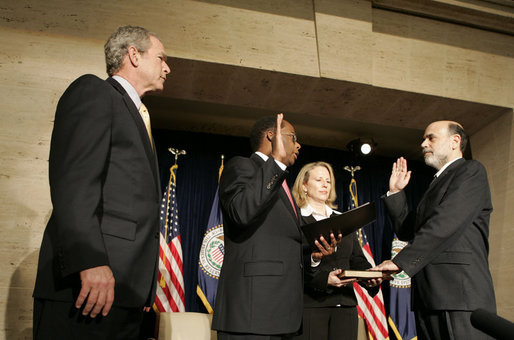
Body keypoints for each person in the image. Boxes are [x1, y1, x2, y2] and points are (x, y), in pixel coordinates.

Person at [33, 26, 171, 339]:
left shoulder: (138, 115)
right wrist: (90, 261)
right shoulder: (95, 92)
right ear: (133, 55)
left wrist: (143, 287)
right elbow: (75, 184)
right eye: (161, 58)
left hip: (124, 292)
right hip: (86, 287)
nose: (167, 67)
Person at [212, 114, 338, 339]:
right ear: (273, 136)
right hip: (252, 313)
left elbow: (288, 241)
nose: (298, 144)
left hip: (285, 316)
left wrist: (315, 254)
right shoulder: (241, 166)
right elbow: (241, 212)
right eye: (293, 137)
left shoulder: (282, 184)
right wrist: (277, 162)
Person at [373, 120, 496, 339]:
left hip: (459, 296)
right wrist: (395, 193)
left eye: (431, 138)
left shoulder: (471, 171)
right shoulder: (436, 183)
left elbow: (446, 222)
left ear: (455, 141)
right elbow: (409, 231)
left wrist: (399, 261)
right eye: (423, 138)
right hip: (429, 297)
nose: (423, 144)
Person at [291, 162, 381, 340]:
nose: (325, 185)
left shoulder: (344, 220)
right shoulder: (295, 220)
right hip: (311, 306)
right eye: (319, 180)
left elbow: (357, 260)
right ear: (304, 186)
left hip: (346, 305)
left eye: (328, 181)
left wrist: (370, 278)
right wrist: (325, 279)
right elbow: (293, 263)